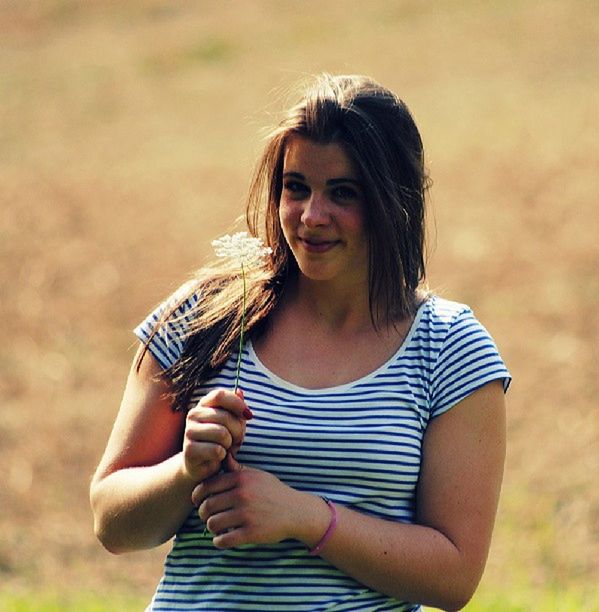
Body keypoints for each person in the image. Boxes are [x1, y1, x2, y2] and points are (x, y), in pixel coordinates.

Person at [90, 74, 511, 611]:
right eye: (296, 187)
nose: (312, 217)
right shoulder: (206, 317)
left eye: (343, 192)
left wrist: (305, 516)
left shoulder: (449, 349)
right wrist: (185, 471)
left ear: (393, 201)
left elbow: (454, 577)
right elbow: (111, 523)